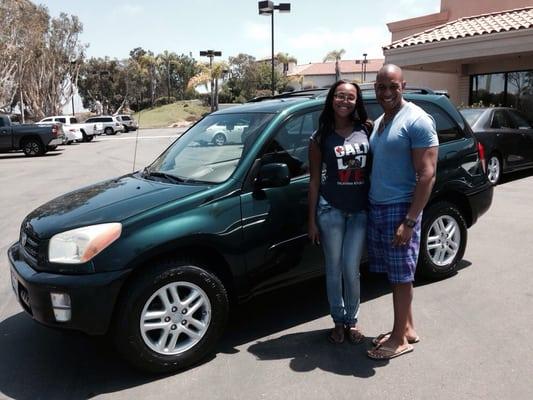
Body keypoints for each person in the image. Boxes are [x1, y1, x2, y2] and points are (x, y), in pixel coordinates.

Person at [366, 64, 438, 360]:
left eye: (392, 87)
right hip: (379, 206)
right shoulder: (382, 120)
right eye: (381, 87)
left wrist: (409, 220)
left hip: (401, 208)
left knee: (402, 275)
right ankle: (407, 327)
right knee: (397, 275)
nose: (386, 92)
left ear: (403, 86)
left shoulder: (417, 120)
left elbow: (427, 174)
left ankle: (399, 340)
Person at [308, 80, 372, 344]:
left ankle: (352, 321)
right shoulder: (320, 137)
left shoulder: (367, 129)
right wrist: (311, 220)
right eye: (340, 96)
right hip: (330, 210)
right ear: (331, 99)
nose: (345, 101)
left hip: (359, 211)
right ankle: (338, 320)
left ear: (357, 102)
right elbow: (313, 181)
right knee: (333, 269)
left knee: (350, 268)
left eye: (350, 97)